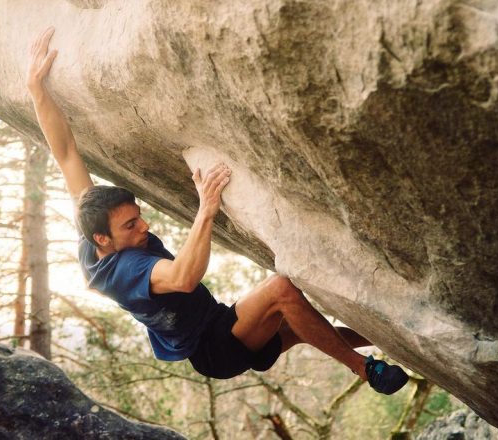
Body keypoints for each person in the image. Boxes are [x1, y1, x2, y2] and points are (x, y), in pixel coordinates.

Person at [26, 27, 408, 394]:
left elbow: (66, 154)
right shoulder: (126, 270)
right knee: (282, 291)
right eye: (131, 225)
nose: (144, 226)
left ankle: (399, 342)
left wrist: (36, 91)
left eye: (139, 214)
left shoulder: (92, 229)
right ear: (103, 239)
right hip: (216, 347)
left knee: (304, 328)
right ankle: (365, 369)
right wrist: (206, 208)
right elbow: (182, 278)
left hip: (222, 324)